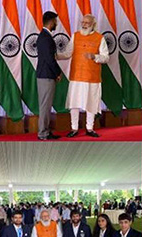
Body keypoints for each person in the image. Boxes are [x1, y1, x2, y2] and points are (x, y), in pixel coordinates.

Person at [57, 14, 109, 138]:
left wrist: (95, 57)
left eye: (87, 23)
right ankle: (74, 128)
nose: (84, 24)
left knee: (91, 103)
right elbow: (68, 53)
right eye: (83, 22)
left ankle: (89, 128)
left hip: (92, 77)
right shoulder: (75, 36)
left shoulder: (99, 38)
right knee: (74, 104)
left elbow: (106, 57)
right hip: (76, 76)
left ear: (93, 25)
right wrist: (54, 56)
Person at [36, 11, 62, 141]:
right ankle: (43, 133)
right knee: (45, 106)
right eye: (56, 21)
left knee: (45, 105)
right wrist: (58, 72)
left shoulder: (44, 36)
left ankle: (45, 131)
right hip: (46, 75)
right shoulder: (46, 38)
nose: (56, 23)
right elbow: (49, 59)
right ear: (51, 22)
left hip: (45, 74)